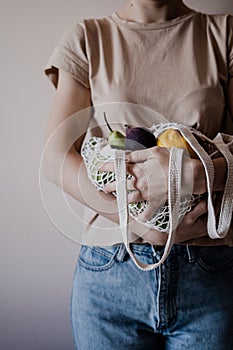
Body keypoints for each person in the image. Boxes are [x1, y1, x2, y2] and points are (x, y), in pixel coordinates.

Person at [43, 0, 233, 348]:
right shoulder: (88, 37)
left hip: (209, 270)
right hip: (111, 272)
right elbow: (55, 159)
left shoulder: (223, 34)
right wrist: (139, 225)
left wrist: (191, 176)